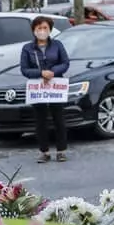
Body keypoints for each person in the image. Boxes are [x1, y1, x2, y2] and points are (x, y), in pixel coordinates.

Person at [20, 16, 70, 163]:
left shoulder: (57, 45)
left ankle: (61, 151)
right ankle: (44, 151)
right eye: (39, 28)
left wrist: (53, 71)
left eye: (45, 28)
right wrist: (40, 73)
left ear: (50, 30)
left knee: (59, 119)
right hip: (38, 89)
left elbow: (65, 62)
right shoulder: (27, 48)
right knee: (40, 121)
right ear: (33, 30)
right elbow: (24, 69)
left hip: (56, 87)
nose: (42, 31)